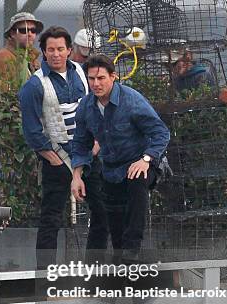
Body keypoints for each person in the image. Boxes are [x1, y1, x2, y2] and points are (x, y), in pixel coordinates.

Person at [71, 54, 170, 263]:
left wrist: (146, 159)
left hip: (142, 161)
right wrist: (77, 176)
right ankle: (123, 271)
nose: (96, 84)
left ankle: (133, 246)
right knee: (114, 223)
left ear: (113, 77)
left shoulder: (131, 100)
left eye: (101, 78)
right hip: (111, 169)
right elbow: (80, 143)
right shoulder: (86, 107)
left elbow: (161, 132)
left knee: (136, 181)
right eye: (91, 79)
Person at [19, 26, 89, 270]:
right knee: (51, 219)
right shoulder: (33, 86)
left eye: (61, 49)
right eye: (51, 49)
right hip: (57, 160)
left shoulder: (81, 73)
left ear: (70, 50)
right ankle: (45, 278)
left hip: (89, 156)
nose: (56, 54)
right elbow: (31, 130)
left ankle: (100, 272)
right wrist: (53, 159)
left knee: (102, 212)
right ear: (44, 53)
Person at [70, 29, 109, 261]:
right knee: (101, 214)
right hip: (85, 156)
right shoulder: (75, 76)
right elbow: (81, 133)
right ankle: (93, 270)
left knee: (108, 215)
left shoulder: (114, 90)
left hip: (104, 159)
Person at [0, 12, 43, 91]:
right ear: (12, 33)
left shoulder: (33, 60)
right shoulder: (3, 58)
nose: (29, 34)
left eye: (33, 30)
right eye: (23, 30)